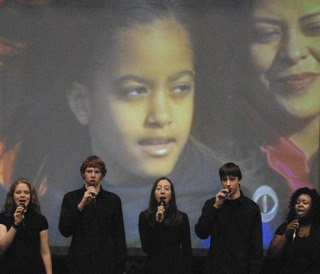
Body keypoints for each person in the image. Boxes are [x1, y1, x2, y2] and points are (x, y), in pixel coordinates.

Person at [59, 0, 221, 247]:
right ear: (81, 102)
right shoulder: (52, 196)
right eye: (134, 91)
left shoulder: (220, 197)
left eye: (180, 88)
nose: (161, 115)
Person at [58, 155, 127, 274]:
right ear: (83, 174)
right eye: (89, 171)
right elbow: (65, 231)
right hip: (79, 264)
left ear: (102, 175)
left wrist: (120, 267)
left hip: (107, 264)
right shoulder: (71, 198)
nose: (93, 175)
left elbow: (119, 235)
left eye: (97, 172)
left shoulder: (113, 200)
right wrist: (81, 206)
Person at [195, 162, 263, 274]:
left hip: (241, 268)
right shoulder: (211, 203)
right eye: (224, 180)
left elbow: (256, 245)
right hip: (216, 268)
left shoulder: (251, 208)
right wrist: (216, 206)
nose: (228, 183)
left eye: (232, 179)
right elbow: (201, 233)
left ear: (239, 180)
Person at [138, 177, 192, 274]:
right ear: (154, 194)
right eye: (158, 189)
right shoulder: (144, 217)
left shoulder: (181, 217)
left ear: (171, 194)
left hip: (176, 268)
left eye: (166, 189)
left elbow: (187, 250)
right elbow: (147, 247)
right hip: (153, 268)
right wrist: (157, 223)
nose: (162, 191)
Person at [0, 178, 52, 274]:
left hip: (35, 269)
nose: (22, 195)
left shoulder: (40, 219)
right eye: (18, 192)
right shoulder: (3, 217)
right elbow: (3, 246)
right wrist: (16, 224)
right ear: (12, 196)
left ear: (31, 196)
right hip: (10, 269)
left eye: (26, 192)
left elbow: (45, 252)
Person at [265, 187, 320, 274]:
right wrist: (286, 234)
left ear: (313, 207)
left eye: (305, 203)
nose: (300, 205)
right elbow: (272, 254)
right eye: (297, 202)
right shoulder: (285, 227)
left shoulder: (317, 228)